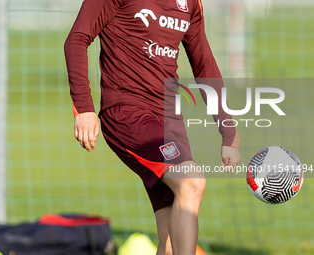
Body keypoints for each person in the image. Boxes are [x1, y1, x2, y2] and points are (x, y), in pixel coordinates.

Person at [64, 0, 241, 254]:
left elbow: (204, 65)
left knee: (170, 239)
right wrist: (84, 107)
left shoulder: (190, 3)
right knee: (191, 181)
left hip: (170, 119)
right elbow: (77, 39)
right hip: (128, 113)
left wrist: (228, 128)